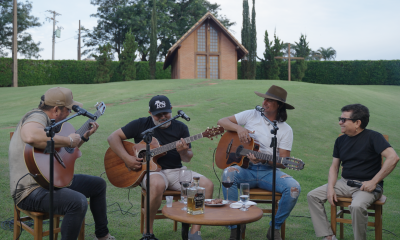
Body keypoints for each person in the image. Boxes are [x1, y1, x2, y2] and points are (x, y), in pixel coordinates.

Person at [8, 87, 115, 240]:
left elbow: (63, 154)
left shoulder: (55, 123)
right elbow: (30, 135)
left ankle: (102, 235)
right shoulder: (36, 116)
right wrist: (69, 140)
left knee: (98, 185)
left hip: (50, 181)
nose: (71, 112)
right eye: (68, 109)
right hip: (29, 191)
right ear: (56, 110)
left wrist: (82, 137)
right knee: (77, 202)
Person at [107, 95, 214, 240]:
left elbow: (187, 158)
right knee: (157, 183)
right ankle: (148, 233)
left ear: (171, 109)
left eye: (166, 113)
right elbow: (112, 137)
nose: (163, 117)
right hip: (151, 172)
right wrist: (128, 159)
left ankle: (194, 232)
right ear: (150, 113)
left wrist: (183, 150)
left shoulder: (181, 127)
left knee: (207, 185)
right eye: (158, 114)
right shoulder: (141, 124)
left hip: (177, 171)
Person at [217, 85, 301, 240]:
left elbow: (283, 162)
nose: (265, 102)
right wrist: (239, 129)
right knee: (228, 174)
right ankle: (235, 226)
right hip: (245, 169)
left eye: (270, 100)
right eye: (265, 99)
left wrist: (263, 158)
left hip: (268, 172)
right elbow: (222, 121)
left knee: (294, 188)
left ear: (279, 105)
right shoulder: (251, 115)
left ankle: (274, 227)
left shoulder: (285, 129)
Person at [307, 104, 399, 240]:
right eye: (340, 119)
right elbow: (334, 167)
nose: (340, 122)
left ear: (357, 123)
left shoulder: (374, 137)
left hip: (367, 187)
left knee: (356, 206)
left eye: (343, 119)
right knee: (313, 196)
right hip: (344, 183)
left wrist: (374, 182)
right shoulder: (340, 140)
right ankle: (328, 237)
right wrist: (330, 188)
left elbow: (393, 157)